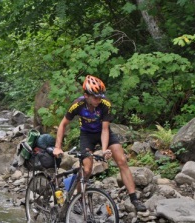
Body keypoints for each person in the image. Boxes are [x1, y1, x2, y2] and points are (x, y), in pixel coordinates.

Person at [53, 75, 147, 212]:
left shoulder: (105, 104)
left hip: (103, 132)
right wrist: (57, 147)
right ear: (86, 95)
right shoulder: (77, 105)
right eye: (95, 97)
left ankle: (134, 199)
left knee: (122, 161)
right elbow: (63, 124)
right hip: (87, 135)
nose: (99, 99)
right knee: (86, 169)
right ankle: (78, 198)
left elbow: (105, 129)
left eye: (100, 96)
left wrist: (104, 150)